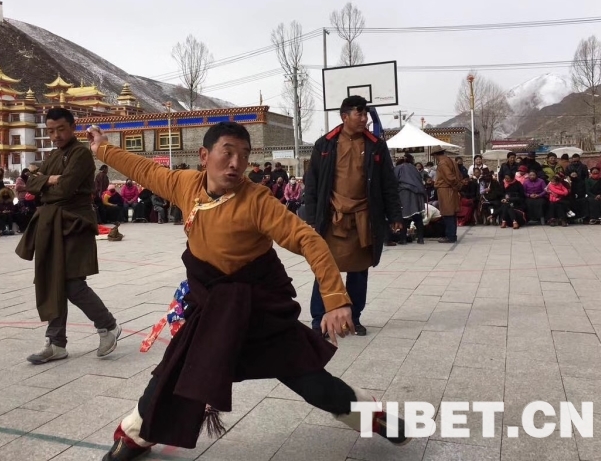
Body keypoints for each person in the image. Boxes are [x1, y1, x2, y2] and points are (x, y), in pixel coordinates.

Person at [86, 121, 411, 460]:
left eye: (243, 155)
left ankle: (373, 416)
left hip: (257, 312)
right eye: (227, 153)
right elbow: (143, 169)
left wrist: (335, 299)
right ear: (204, 156)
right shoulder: (184, 184)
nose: (236, 164)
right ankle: (135, 436)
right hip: (211, 309)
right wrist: (103, 149)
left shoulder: (257, 200)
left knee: (311, 382)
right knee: (173, 372)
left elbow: (307, 239)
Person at [15, 107, 123, 365]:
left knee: (72, 282)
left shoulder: (80, 154)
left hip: (74, 223)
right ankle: (56, 342)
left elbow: (64, 189)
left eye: (61, 129)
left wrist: (46, 182)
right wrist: (49, 180)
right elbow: (28, 183)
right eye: (51, 131)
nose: (56, 135)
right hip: (51, 224)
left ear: (73, 127)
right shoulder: (54, 155)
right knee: (52, 280)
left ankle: (108, 326)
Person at [304, 96, 403, 336]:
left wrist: (395, 215)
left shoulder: (376, 145)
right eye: (359, 114)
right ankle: (319, 320)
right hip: (333, 218)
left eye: (365, 114)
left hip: (363, 219)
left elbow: (388, 183)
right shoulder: (325, 145)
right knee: (326, 269)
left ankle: (354, 318)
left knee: (359, 271)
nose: (364, 119)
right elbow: (312, 183)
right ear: (344, 116)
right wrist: (312, 218)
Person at [394, 154, 426, 244]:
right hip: (417, 193)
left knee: (404, 216)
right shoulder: (414, 168)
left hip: (404, 192)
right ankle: (420, 238)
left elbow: (394, 180)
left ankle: (403, 239)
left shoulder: (398, 168)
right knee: (417, 215)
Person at [431, 147, 461, 242]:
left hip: (446, 189)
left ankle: (450, 236)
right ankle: (452, 235)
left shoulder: (442, 163)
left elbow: (450, 177)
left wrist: (455, 185)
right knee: (452, 214)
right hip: (450, 189)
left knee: (448, 213)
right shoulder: (451, 160)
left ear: (435, 155)